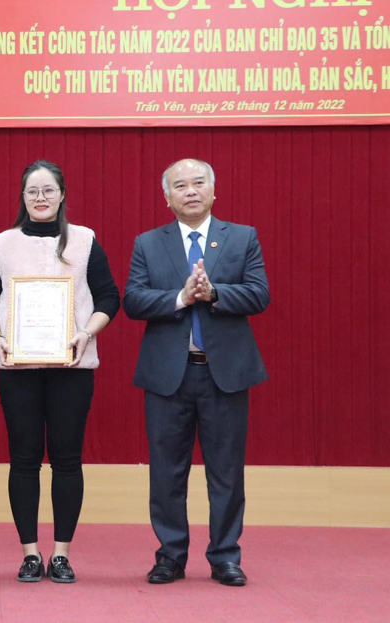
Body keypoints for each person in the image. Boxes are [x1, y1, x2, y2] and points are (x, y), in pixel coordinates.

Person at [123, 158, 270, 587]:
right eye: (180, 185)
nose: (191, 191)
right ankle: (170, 556)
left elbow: (260, 294)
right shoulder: (148, 243)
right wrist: (181, 298)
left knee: (226, 471)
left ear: (213, 191)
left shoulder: (242, 238)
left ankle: (225, 556)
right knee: (166, 472)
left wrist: (216, 291)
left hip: (225, 374)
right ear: (167, 198)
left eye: (199, 183)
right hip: (169, 376)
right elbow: (133, 300)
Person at [0, 160, 119, 583]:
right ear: (23, 197)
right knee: (23, 460)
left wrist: (85, 334)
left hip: (72, 367)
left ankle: (61, 554)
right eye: (32, 191)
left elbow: (110, 296)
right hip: (17, 367)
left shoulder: (85, 240)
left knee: (68, 460)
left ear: (61, 195)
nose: (40, 198)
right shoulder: (4, 243)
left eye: (48, 190)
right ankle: (30, 554)